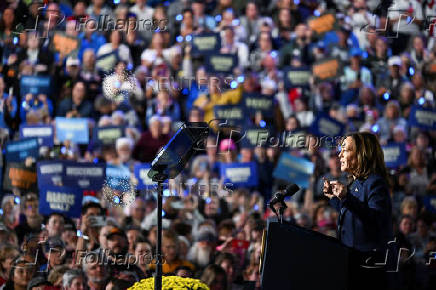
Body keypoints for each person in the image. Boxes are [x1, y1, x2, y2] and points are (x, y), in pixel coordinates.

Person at [323, 132, 393, 290]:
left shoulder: (374, 183)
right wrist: (334, 199)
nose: (340, 154)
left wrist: (347, 197)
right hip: (353, 262)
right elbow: (353, 215)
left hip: (370, 267)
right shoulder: (356, 183)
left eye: (346, 150)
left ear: (362, 154)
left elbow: (376, 219)